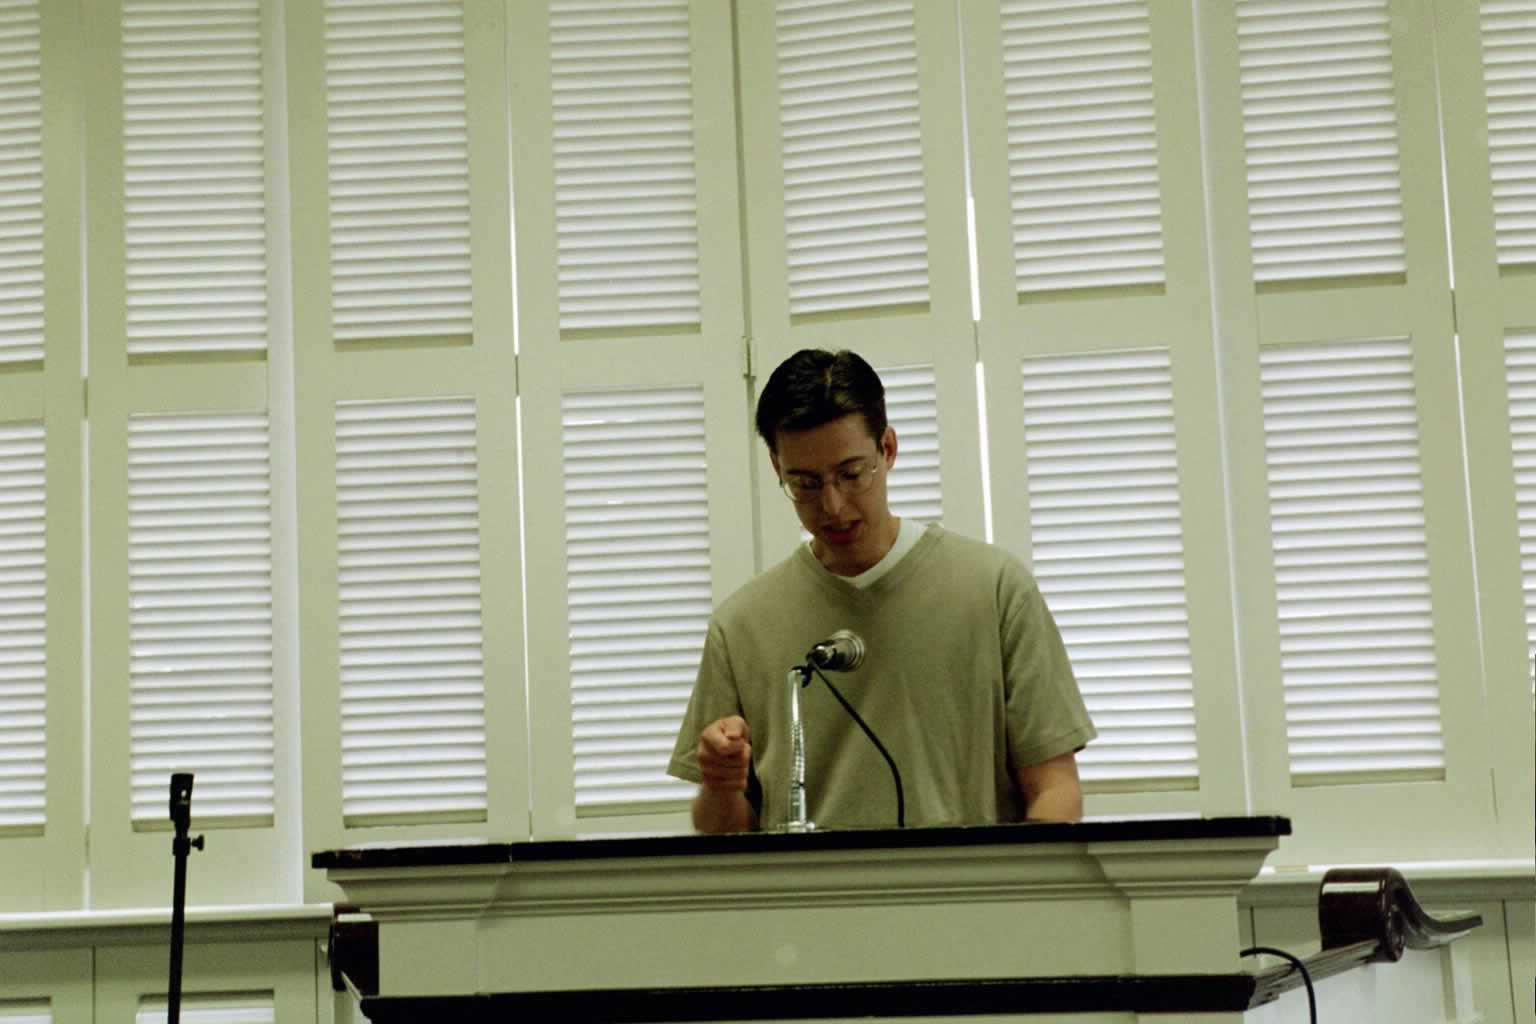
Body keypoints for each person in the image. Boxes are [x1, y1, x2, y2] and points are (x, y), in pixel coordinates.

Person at [667, 349, 1096, 832]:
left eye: (852, 474)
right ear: (776, 466)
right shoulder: (742, 625)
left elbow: (1055, 789)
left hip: (968, 901)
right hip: (812, 904)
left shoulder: (996, 590)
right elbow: (723, 830)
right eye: (804, 483)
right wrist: (721, 785)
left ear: (888, 449)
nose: (832, 505)